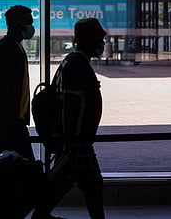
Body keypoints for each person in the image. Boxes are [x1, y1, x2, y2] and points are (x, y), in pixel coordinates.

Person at [32, 18, 107, 219]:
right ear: (87, 40)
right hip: (76, 142)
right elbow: (71, 106)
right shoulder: (77, 65)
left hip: (78, 142)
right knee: (60, 187)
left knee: (92, 187)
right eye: (99, 39)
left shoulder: (72, 61)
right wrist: (70, 141)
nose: (103, 44)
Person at [0, 5, 35, 169]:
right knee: (26, 166)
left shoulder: (12, 46)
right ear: (17, 24)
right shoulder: (8, 49)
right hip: (8, 123)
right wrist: (7, 120)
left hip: (9, 121)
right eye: (29, 22)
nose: (32, 27)